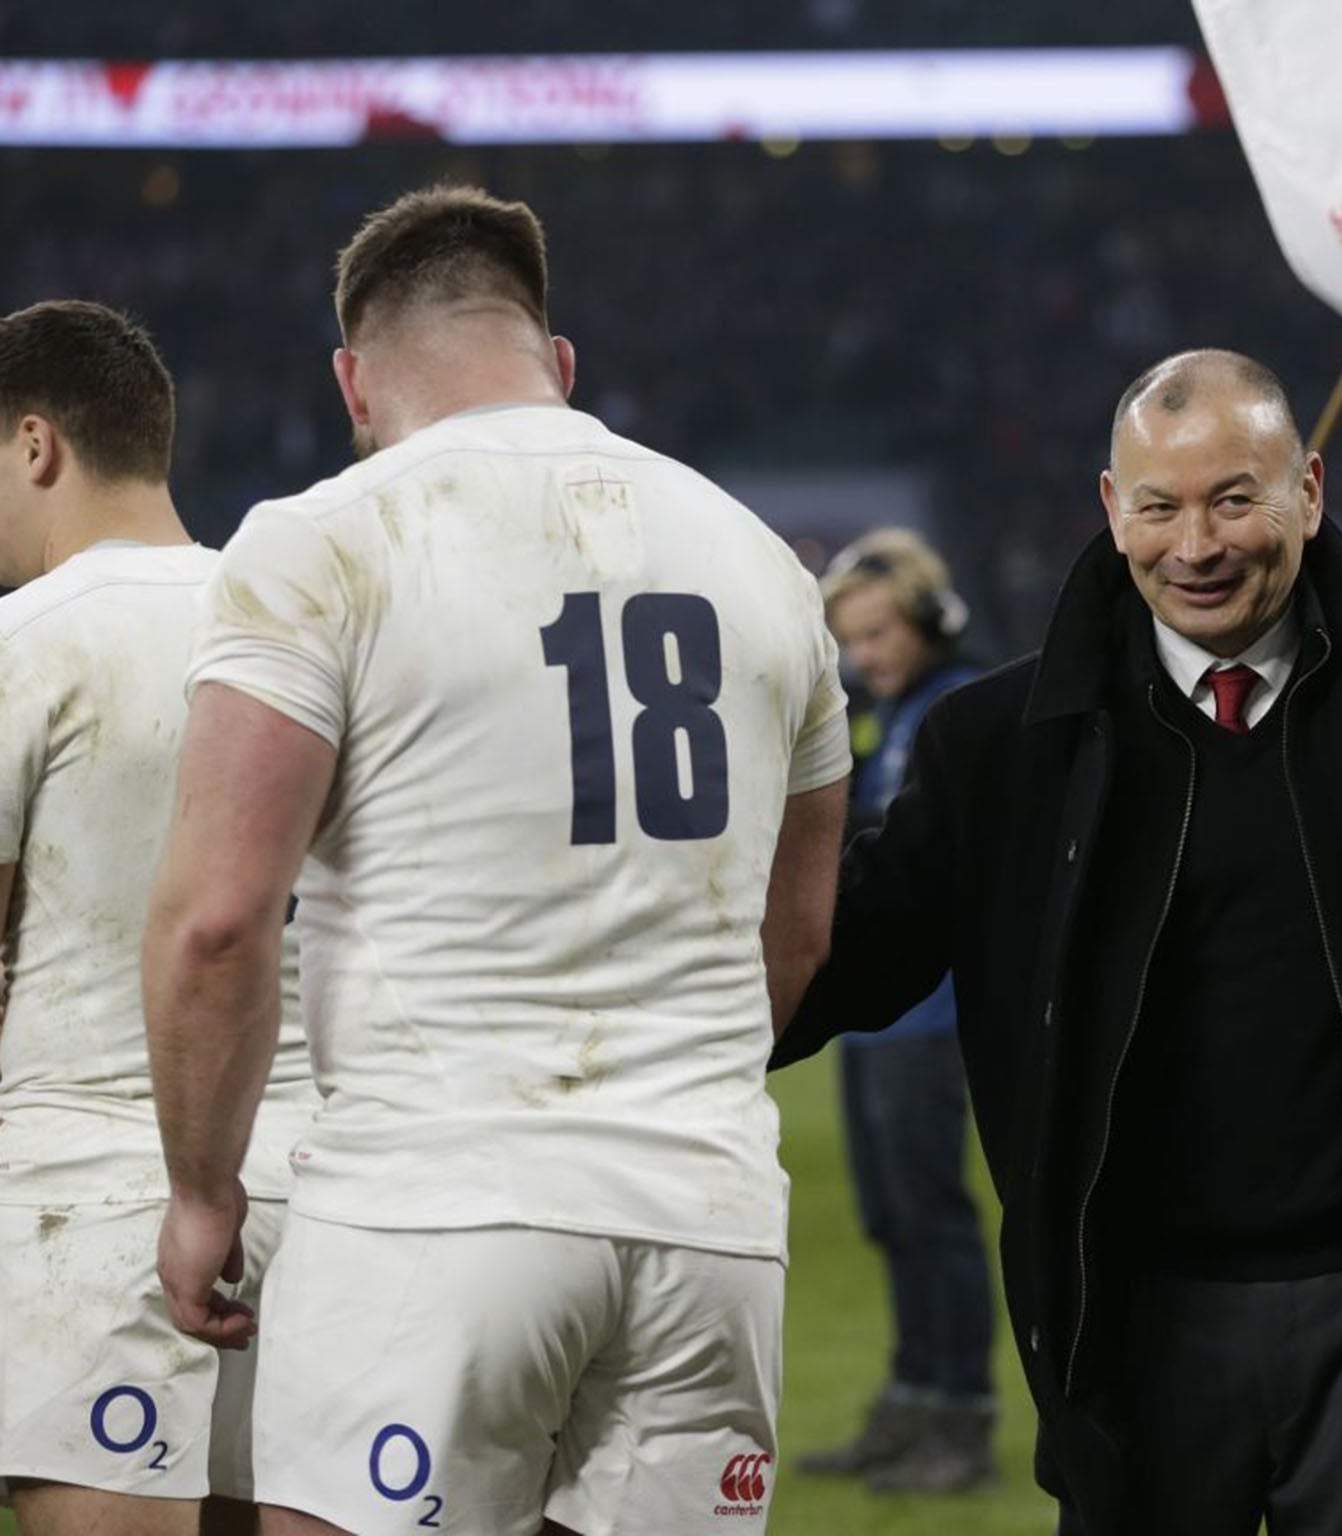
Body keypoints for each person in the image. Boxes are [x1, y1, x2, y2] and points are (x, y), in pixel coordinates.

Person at [774, 348, 1342, 1533]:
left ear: (1307, 493)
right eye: (1160, 506)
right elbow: (836, 961)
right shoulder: (1001, 746)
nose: (1196, 546)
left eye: (1233, 498)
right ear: (1111, 510)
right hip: (1135, 1325)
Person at [142, 186, 851, 1536]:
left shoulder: (324, 542)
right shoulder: (763, 561)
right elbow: (799, 929)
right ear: (559, 363)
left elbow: (220, 921)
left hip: (439, 1208)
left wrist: (201, 1190)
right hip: (709, 1227)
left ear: (355, 381)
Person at [0, 300, 315, 1535]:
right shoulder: (308, 623)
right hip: (323, 1191)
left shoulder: (26, 638)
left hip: (90, 1193)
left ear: (36, 445)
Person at [796, 529, 998, 1493]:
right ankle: (913, 1398)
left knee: (933, 1216)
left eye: (879, 632)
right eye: (853, 639)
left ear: (927, 618)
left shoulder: (961, 712)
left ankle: (960, 1416)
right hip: (876, 1018)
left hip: (933, 1013)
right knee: (891, 1215)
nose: (866, 654)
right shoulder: (883, 715)